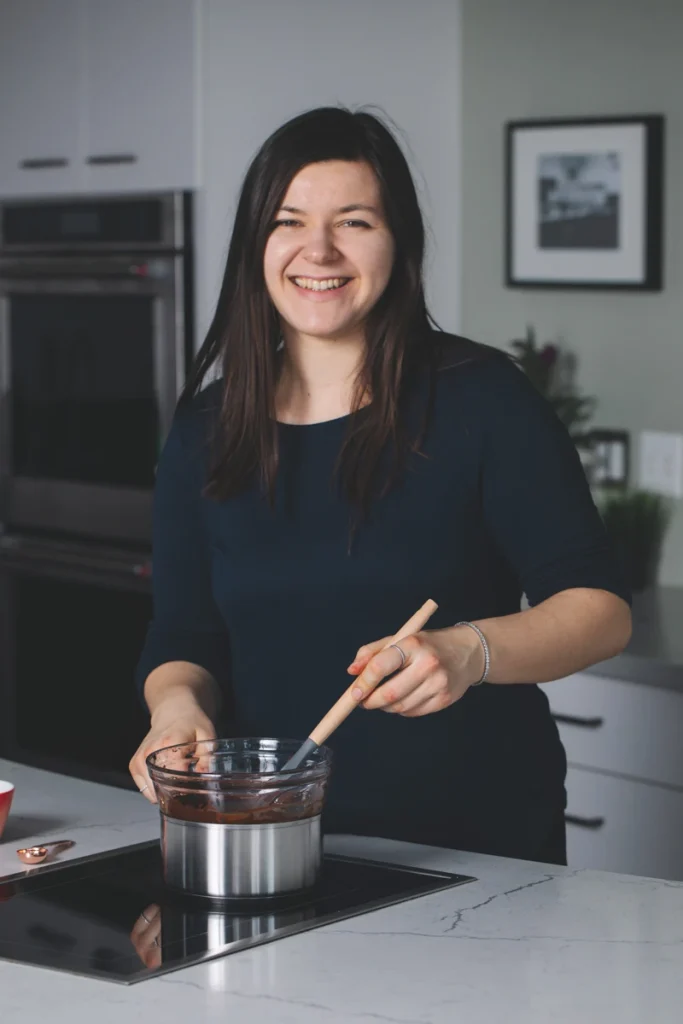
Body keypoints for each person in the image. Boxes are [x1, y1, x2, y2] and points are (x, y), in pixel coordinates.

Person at [129, 106, 631, 865]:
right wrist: (174, 708)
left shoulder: (483, 399)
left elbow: (599, 611)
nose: (318, 250)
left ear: (398, 241)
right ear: (255, 245)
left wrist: (467, 652)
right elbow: (184, 635)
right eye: (288, 221)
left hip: (474, 849)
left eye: (354, 221)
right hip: (272, 840)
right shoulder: (206, 428)